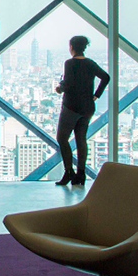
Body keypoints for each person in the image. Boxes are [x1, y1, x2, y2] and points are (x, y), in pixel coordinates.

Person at [54, 35, 110, 186]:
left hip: (71, 106)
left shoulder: (70, 63)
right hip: (88, 107)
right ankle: (81, 174)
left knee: (62, 138)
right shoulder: (90, 63)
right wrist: (96, 95)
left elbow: (69, 83)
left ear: (71, 47)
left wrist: (60, 88)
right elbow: (105, 77)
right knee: (81, 139)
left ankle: (69, 172)